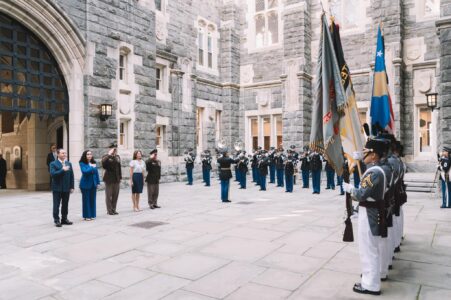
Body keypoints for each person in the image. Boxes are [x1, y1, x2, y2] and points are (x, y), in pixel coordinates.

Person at [343, 138, 389, 296]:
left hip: (369, 214)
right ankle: (371, 280)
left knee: (368, 250)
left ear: (374, 155)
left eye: (366, 152)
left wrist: (350, 189)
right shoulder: (376, 169)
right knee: (371, 248)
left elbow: (361, 194)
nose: (364, 154)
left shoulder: (374, 172)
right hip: (371, 212)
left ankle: (371, 284)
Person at [50, 148, 74, 227]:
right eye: (62, 153)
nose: (64, 155)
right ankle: (56, 220)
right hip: (57, 188)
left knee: (65, 204)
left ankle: (64, 219)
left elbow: (71, 176)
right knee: (56, 205)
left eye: (65, 153)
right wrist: (62, 170)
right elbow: (53, 174)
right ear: (58, 154)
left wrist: (72, 186)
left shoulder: (68, 163)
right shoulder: (53, 164)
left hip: (66, 188)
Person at [79, 150, 100, 221]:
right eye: (88, 154)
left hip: (93, 184)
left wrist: (98, 182)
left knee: (92, 200)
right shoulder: (82, 163)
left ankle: (93, 214)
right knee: (86, 200)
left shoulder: (94, 162)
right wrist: (91, 167)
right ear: (85, 155)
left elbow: (96, 173)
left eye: (90, 154)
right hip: (85, 184)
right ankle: (87, 215)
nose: (89, 155)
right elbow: (84, 172)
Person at [102, 142, 122, 215]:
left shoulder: (117, 157)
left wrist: (120, 177)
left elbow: (119, 168)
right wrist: (109, 155)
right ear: (110, 149)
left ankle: (114, 209)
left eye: (115, 149)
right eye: (113, 148)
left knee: (115, 195)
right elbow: (104, 165)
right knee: (108, 195)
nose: (114, 150)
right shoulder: (106, 157)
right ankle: (109, 210)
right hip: (109, 179)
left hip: (116, 179)